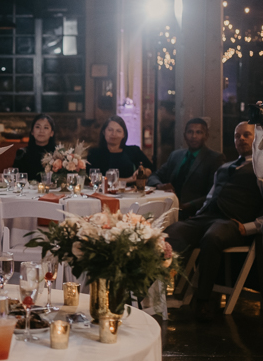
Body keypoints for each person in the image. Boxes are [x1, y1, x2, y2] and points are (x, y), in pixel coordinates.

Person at [165, 122, 263, 322]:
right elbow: (210, 197)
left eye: (247, 135)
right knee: (171, 232)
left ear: (258, 140)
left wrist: (251, 227)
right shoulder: (225, 167)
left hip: (234, 222)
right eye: (237, 136)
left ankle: (203, 301)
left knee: (212, 237)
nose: (241, 139)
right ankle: (152, 293)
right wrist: (197, 216)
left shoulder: (261, 170)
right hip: (207, 216)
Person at [147, 118, 225, 220]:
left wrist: (187, 205)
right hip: (168, 208)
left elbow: (214, 193)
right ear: (184, 136)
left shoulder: (214, 158)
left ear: (206, 136)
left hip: (195, 213)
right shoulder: (176, 155)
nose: (194, 136)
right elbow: (154, 176)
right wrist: (159, 185)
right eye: (190, 132)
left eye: (199, 132)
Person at [86, 115, 154, 178]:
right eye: (110, 130)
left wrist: (144, 172)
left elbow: (151, 169)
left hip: (132, 190)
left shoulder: (134, 151)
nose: (114, 134)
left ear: (124, 134)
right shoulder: (95, 153)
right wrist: (129, 180)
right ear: (104, 132)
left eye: (118, 131)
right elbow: (95, 177)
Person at [14, 113, 57, 181]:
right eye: (38, 127)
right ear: (32, 132)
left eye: (46, 128)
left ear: (52, 133)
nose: (41, 131)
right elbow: (15, 179)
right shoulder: (22, 153)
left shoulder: (58, 155)